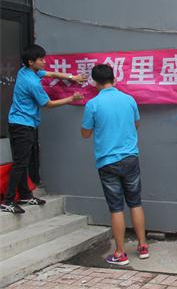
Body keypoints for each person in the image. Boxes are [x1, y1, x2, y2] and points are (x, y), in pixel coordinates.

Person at [2, 44, 85, 214]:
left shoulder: (26, 71)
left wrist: (73, 77)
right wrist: (72, 98)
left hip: (25, 123)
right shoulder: (31, 82)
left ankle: (25, 195)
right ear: (31, 62)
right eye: (41, 59)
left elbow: (52, 74)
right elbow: (48, 104)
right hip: (22, 125)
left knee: (24, 161)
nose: (44, 61)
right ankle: (8, 200)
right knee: (20, 163)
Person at [81, 64, 149, 266]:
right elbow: (137, 124)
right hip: (130, 158)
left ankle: (120, 253)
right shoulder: (129, 99)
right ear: (114, 78)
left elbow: (85, 133)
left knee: (116, 207)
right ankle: (143, 246)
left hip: (107, 161)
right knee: (135, 203)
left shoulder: (92, 104)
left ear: (95, 82)